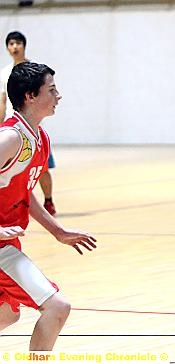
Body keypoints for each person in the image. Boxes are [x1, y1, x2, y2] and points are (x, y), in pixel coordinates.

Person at [0, 62, 97, 350]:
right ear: (30, 96)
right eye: (52, 89)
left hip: (9, 242)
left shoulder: (39, 137)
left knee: (7, 313)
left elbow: (22, 191)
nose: (59, 95)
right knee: (57, 307)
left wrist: (57, 230)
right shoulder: (11, 137)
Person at [1, 31, 57, 216]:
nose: (14, 47)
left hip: (31, 128)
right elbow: (2, 101)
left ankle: (48, 200)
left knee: (39, 170)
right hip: (16, 128)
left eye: (18, 43)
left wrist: (58, 231)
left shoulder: (35, 71)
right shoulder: (5, 73)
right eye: (10, 43)